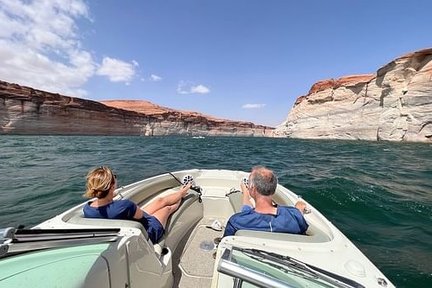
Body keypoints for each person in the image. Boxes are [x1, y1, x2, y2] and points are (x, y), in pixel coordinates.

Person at [83, 166, 191, 243]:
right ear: (111, 187)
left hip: (128, 226)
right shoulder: (124, 205)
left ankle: (180, 193)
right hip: (146, 234)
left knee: (159, 201)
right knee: (167, 208)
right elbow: (140, 215)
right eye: (114, 176)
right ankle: (182, 194)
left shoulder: (87, 208)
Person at [223, 166, 309, 237]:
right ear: (274, 189)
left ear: (253, 189)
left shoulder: (237, 221)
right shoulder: (294, 215)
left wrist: (246, 192)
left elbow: (226, 242)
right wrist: (299, 209)